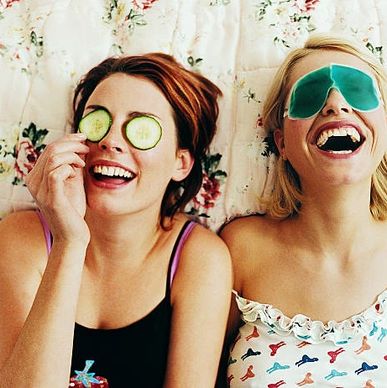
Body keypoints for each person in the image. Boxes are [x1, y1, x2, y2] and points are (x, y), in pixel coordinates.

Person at [0, 53, 232, 387]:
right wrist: (69, 242)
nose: (110, 141)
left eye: (141, 128)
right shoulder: (22, 239)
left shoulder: (199, 258)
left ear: (181, 162)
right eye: (98, 122)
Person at [219, 34, 387, 386]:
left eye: (357, 89)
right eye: (310, 95)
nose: (336, 104)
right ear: (282, 142)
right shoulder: (241, 250)